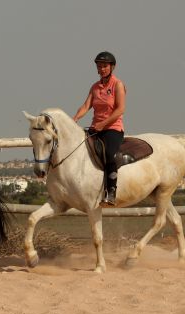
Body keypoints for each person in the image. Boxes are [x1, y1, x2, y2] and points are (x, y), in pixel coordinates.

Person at [73, 51, 126, 207]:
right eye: (99, 66)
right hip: (96, 127)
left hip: (113, 128)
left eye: (105, 66)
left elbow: (120, 109)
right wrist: (75, 118)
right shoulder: (95, 87)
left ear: (112, 67)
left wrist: (104, 124)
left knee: (110, 154)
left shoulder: (118, 85)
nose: (102, 69)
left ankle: (111, 191)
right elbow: (85, 106)